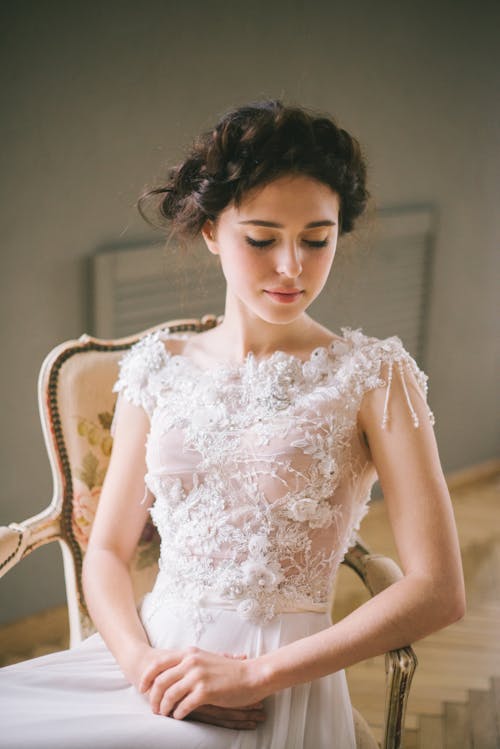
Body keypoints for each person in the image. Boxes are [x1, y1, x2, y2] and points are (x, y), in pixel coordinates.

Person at [0, 100, 465, 748]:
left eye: (316, 238)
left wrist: (258, 674)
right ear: (213, 229)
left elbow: (439, 590)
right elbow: (105, 552)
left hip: (274, 689)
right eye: (262, 237)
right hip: (148, 666)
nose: (291, 267)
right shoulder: (156, 368)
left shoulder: (374, 375)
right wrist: (144, 669)